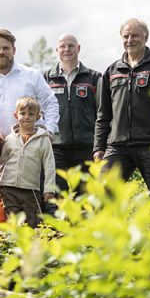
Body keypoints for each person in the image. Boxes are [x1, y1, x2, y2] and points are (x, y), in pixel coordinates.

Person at [93, 18, 150, 198]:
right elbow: (103, 114)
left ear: (146, 37)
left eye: (135, 35)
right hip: (118, 146)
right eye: (126, 36)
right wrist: (98, 147)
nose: (130, 40)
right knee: (102, 195)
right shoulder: (112, 71)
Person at [0, 28, 59, 205]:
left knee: (35, 202)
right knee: (0, 202)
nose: (1, 52)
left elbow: (50, 102)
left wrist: (50, 131)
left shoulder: (31, 76)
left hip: (32, 148)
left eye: (6, 48)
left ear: (14, 50)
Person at [43, 33, 101, 194]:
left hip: (87, 147)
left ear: (78, 48)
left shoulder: (94, 77)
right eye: (62, 46)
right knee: (58, 196)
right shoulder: (46, 78)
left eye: (70, 45)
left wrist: (100, 144)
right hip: (56, 147)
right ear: (57, 50)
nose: (66, 49)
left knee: (84, 198)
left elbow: (102, 113)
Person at [0, 97, 56, 228]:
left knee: (33, 223)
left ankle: (35, 248)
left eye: (31, 114)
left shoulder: (43, 139)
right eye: (22, 113)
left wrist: (49, 189)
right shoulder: (10, 139)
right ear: (15, 115)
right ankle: (15, 247)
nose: (26, 117)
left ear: (38, 117)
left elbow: (49, 166)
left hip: (30, 189)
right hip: (8, 187)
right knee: (14, 223)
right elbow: (2, 163)